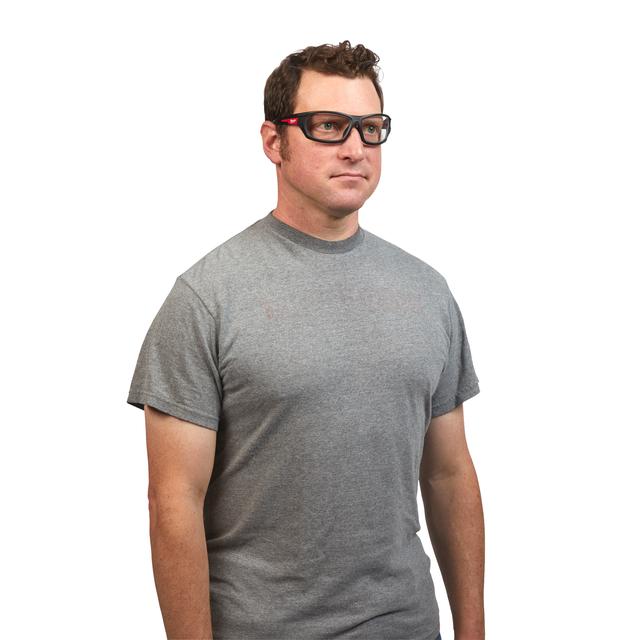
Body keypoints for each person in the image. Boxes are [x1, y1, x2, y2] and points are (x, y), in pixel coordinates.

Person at [127, 40, 484, 640]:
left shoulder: (428, 292)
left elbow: (449, 475)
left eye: (370, 128)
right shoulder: (206, 298)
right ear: (274, 142)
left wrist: (473, 631)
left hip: (406, 624)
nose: (355, 148)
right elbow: (173, 501)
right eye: (328, 126)